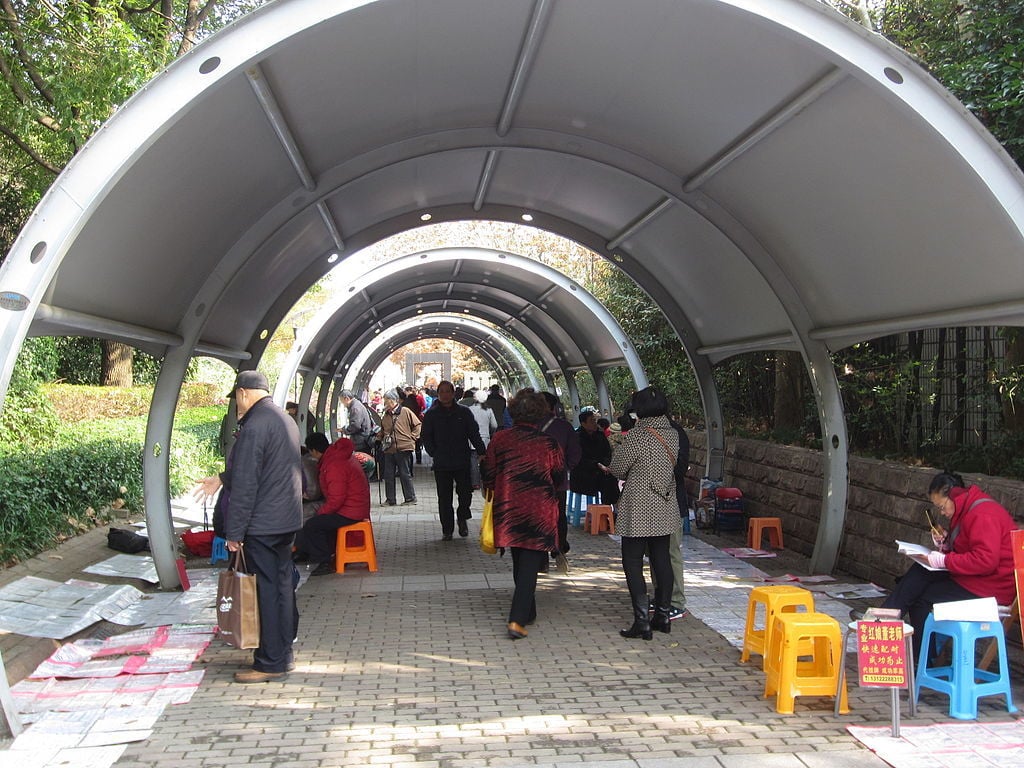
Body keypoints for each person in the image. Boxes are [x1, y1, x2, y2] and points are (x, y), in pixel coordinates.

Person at [196, 370, 302, 683]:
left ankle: (269, 662)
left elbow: (246, 483)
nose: (236, 406)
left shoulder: (254, 425)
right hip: (285, 520)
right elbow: (270, 467)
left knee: (266, 593)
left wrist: (234, 533)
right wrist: (222, 478)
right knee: (283, 588)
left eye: (236, 399)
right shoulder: (283, 418)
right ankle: (284, 655)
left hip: (263, 523)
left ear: (243, 393)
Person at [872, 471, 1017, 657]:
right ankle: (887, 621)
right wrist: (946, 544)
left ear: (954, 495)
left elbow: (985, 561)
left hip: (991, 587)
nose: (942, 512)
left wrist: (944, 560)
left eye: (942, 506)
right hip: (978, 579)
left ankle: (887, 625)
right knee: (921, 573)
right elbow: (968, 550)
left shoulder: (983, 514)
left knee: (920, 595)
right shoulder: (967, 508)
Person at [481, 389, 566, 639]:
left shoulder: (501, 439)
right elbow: (559, 475)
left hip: (509, 508)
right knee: (529, 562)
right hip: (539, 510)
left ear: (513, 411)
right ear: (540, 413)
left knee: (521, 559)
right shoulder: (547, 443)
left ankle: (528, 611)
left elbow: (488, 471)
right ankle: (517, 620)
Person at [608, 385, 679, 640]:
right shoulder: (673, 434)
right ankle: (663, 616)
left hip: (638, 504)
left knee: (633, 560)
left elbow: (617, 468)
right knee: (662, 559)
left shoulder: (638, 436)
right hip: (665, 502)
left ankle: (642, 622)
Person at [293, 435, 370, 574]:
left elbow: (336, 499)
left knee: (313, 524)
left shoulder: (333, 464)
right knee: (320, 521)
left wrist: (322, 511)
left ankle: (323, 561)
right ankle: (321, 553)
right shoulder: (336, 457)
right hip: (355, 507)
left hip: (350, 511)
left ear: (315, 451)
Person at [421, 380, 487, 540]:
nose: (445, 395)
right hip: (442, 462)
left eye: (447, 391)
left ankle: (463, 516)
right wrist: (434, 452)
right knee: (444, 498)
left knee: (465, 494)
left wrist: (481, 452)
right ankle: (447, 529)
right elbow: (426, 436)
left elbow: (474, 433)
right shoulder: (432, 414)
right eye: (441, 392)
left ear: (453, 393)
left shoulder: (464, 412)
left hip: (461, 459)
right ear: (438, 394)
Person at [540, 391, 581, 561]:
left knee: (538, 515)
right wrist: (564, 468)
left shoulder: (527, 426)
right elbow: (575, 452)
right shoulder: (564, 427)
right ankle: (558, 547)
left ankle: (539, 553)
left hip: (534, 481)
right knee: (559, 514)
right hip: (558, 480)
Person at [378, 389, 421, 505]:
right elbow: (383, 430)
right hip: (389, 448)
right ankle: (390, 499)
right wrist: (378, 438)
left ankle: (410, 498)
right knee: (389, 475)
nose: (385, 403)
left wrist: (412, 438)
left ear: (393, 400)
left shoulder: (405, 411)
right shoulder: (385, 415)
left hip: (403, 447)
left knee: (404, 473)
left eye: (386, 400)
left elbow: (417, 425)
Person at [468, 389, 498, 488]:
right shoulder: (489, 410)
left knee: (473, 460)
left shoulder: (470, 409)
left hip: (472, 439)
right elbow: (494, 425)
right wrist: (490, 433)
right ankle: (485, 481)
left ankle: (475, 482)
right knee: (485, 461)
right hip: (485, 439)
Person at [339, 389, 374, 454]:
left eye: (342, 401)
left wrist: (344, 430)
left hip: (361, 442)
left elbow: (355, 425)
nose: (343, 404)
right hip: (364, 439)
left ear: (346, 398)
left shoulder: (355, 408)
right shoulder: (357, 404)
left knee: (361, 460)